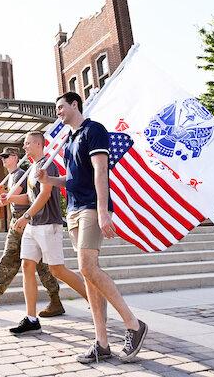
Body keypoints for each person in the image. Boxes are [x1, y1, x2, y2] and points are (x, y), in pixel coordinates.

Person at [37, 91, 148, 363]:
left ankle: (134, 325)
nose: (58, 113)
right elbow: (72, 179)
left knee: (88, 267)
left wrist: (103, 211)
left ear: (75, 105)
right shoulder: (69, 139)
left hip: (90, 207)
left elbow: (101, 171)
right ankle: (101, 343)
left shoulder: (94, 130)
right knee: (87, 275)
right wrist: (49, 179)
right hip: (73, 209)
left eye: (61, 107)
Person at [1, 131, 88, 335]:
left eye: (28, 143)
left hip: (49, 224)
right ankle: (31, 318)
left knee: (57, 270)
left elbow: (45, 194)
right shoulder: (32, 168)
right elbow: (30, 198)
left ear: (39, 144)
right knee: (27, 265)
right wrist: (10, 199)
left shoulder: (47, 165)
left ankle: (93, 299)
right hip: (34, 225)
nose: (24, 147)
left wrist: (26, 217)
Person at [0, 146, 65, 318]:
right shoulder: (13, 177)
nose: (3, 159)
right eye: (1, 156)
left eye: (6, 156)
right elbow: (10, 197)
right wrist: (4, 192)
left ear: (15, 157)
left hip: (26, 219)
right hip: (18, 220)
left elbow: (17, 199)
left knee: (36, 264)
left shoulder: (21, 175)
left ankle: (55, 300)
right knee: (17, 260)